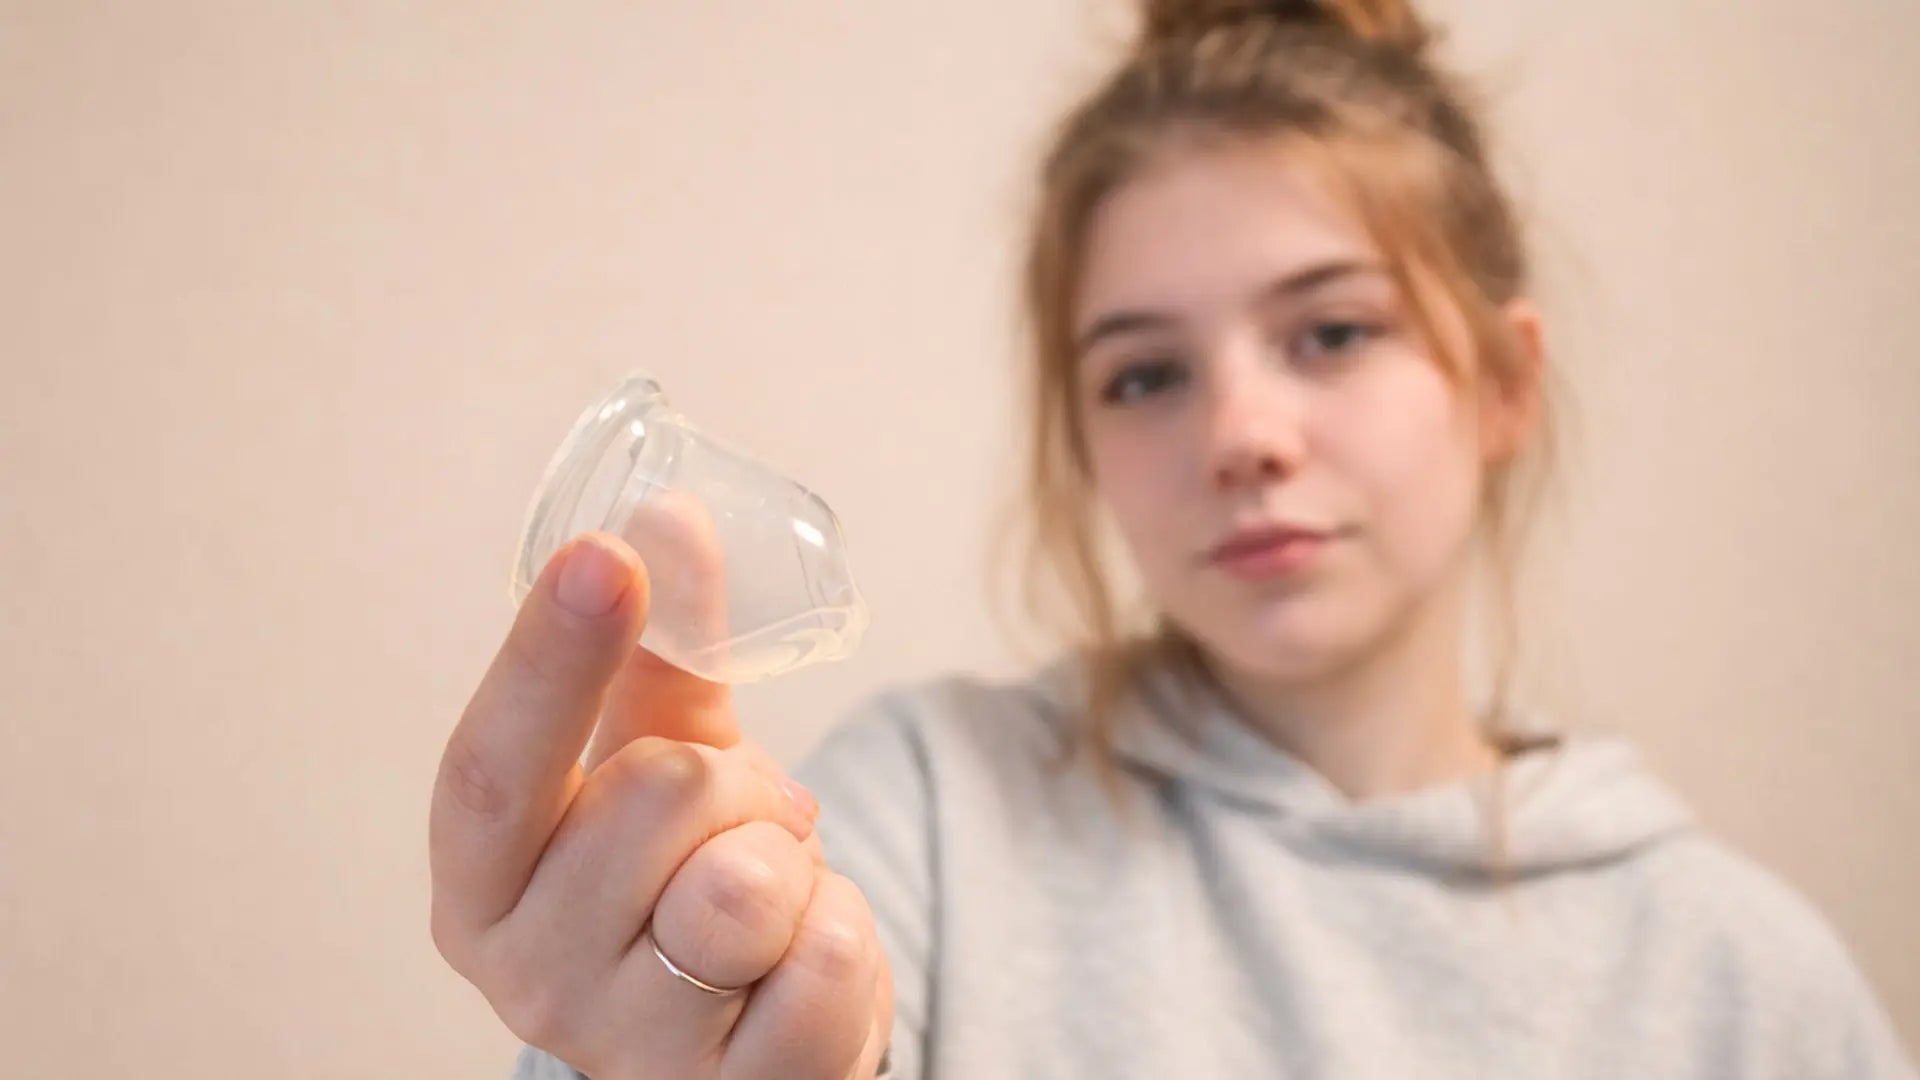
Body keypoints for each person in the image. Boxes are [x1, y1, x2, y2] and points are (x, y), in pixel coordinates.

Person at [429, 1, 1918, 1077]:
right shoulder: (932, 816)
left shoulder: (1749, 982)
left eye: (1331, 332)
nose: (1240, 435)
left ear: (1504, 383)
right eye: (1146, 373)